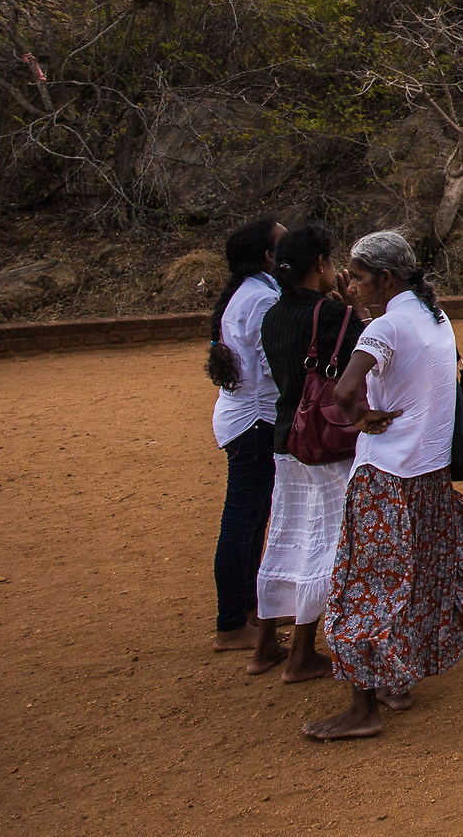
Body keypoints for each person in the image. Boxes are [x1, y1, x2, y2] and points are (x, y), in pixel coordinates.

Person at [304, 230, 463, 741]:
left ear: (384, 278)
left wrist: (361, 416)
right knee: (417, 577)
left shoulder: (389, 326)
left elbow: (345, 387)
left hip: (385, 474)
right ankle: (395, 680)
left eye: (357, 278)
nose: (350, 287)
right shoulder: (433, 315)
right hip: (428, 472)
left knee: (366, 585)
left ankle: (362, 709)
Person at [251, 224, 365, 682]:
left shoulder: (272, 314)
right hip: (326, 441)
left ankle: (265, 646)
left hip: (287, 437)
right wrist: (351, 308)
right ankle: (300, 653)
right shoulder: (330, 314)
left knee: (285, 534)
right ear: (320, 265)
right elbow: (364, 358)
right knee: (325, 540)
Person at [206, 217, 284, 654]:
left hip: (249, 419)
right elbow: (272, 361)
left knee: (252, 518)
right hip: (255, 422)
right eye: (283, 243)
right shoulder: (259, 299)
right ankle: (231, 622)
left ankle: (247, 609)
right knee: (243, 519)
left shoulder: (252, 293)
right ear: (269, 257)